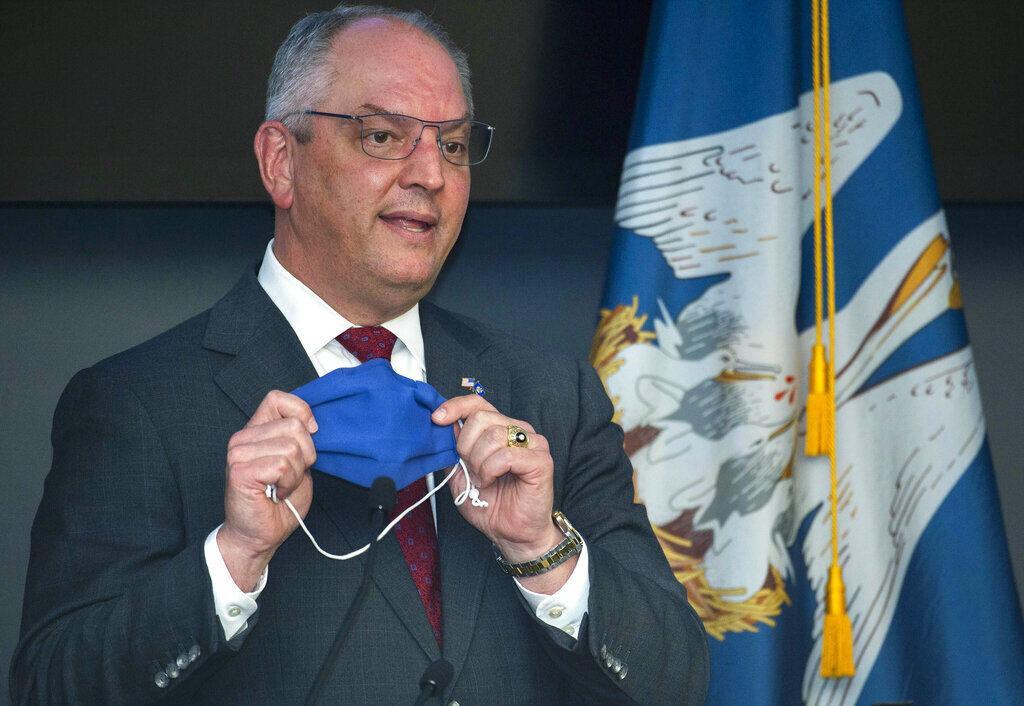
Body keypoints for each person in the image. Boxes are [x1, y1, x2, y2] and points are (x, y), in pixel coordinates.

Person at [11, 5, 709, 704]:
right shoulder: (138, 401)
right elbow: (51, 687)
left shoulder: (549, 393)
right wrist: (233, 559)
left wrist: (544, 553)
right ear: (281, 162)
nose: (432, 174)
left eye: (456, 145)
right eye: (384, 136)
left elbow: (676, 682)